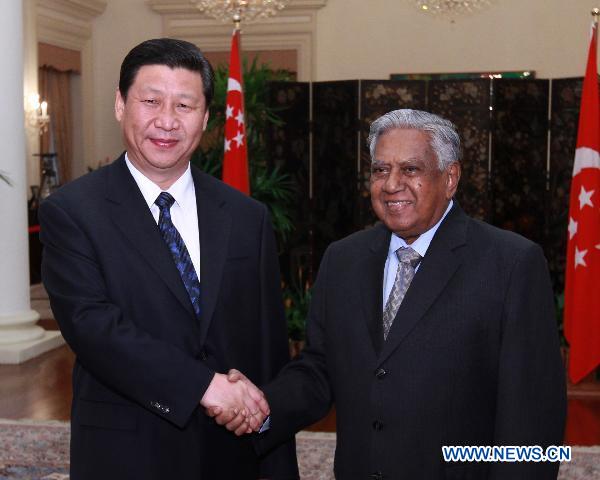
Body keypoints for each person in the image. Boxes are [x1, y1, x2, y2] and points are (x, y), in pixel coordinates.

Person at [212, 109, 567, 479]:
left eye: (410, 169)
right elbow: (319, 370)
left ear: (450, 178)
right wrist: (262, 406)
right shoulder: (343, 260)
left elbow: (533, 415)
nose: (391, 184)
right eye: (380, 170)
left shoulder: (511, 264)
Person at [39, 38, 298, 480]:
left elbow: (267, 346)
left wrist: (274, 455)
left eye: (184, 105)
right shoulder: (72, 211)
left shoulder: (245, 216)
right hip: (128, 449)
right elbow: (93, 327)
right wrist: (204, 386)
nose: (166, 121)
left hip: (233, 450)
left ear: (207, 118)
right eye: (151, 100)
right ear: (121, 104)